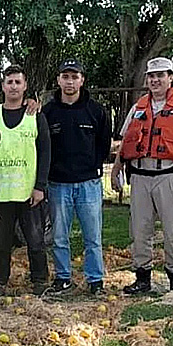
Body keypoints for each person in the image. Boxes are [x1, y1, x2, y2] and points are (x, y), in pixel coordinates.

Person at [111, 57, 173, 293]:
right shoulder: (138, 108)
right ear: (147, 79)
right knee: (140, 229)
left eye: (160, 75)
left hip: (170, 176)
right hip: (140, 176)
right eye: (151, 76)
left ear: (170, 78)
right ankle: (142, 278)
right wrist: (116, 170)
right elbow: (126, 142)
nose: (155, 80)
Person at [0, 65, 51, 297]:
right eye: (9, 82)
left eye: (18, 82)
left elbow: (45, 152)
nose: (13, 87)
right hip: (1, 191)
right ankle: (0, 283)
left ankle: (39, 280)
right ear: (3, 86)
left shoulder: (35, 115)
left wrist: (40, 186)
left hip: (29, 192)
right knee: (1, 243)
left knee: (35, 240)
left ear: (25, 86)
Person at [42, 59, 112, 296]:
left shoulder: (96, 110)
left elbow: (104, 144)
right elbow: (42, 146)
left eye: (74, 77)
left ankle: (95, 280)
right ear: (59, 80)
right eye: (65, 77)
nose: (70, 81)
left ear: (82, 80)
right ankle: (63, 278)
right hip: (58, 184)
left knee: (92, 236)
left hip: (88, 184)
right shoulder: (48, 112)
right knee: (59, 236)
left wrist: (92, 167)